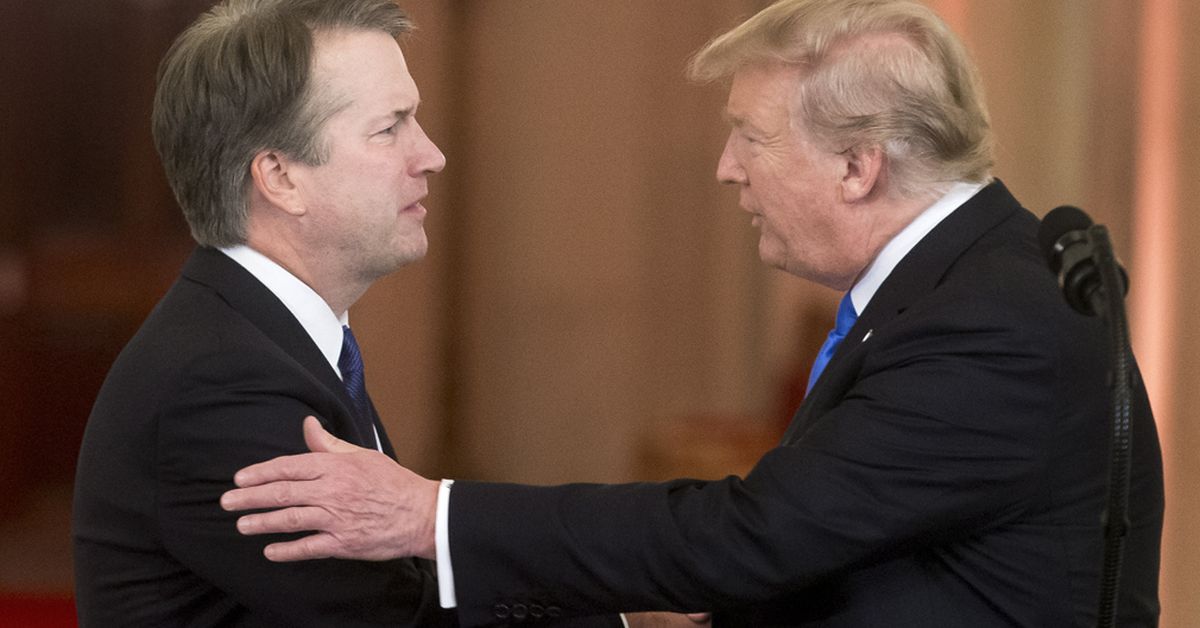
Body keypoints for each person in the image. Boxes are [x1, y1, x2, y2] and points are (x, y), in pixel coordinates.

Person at [220, 0, 1165, 626]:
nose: (724, 169)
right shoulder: (961, 284)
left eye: (750, 137)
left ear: (856, 166)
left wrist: (429, 513)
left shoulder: (992, 324)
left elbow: (758, 537)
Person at [72, 1, 618, 626]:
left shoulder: (268, 340)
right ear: (280, 176)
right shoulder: (222, 382)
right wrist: (627, 617)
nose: (432, 154)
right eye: (389, 128)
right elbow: (396, 617)